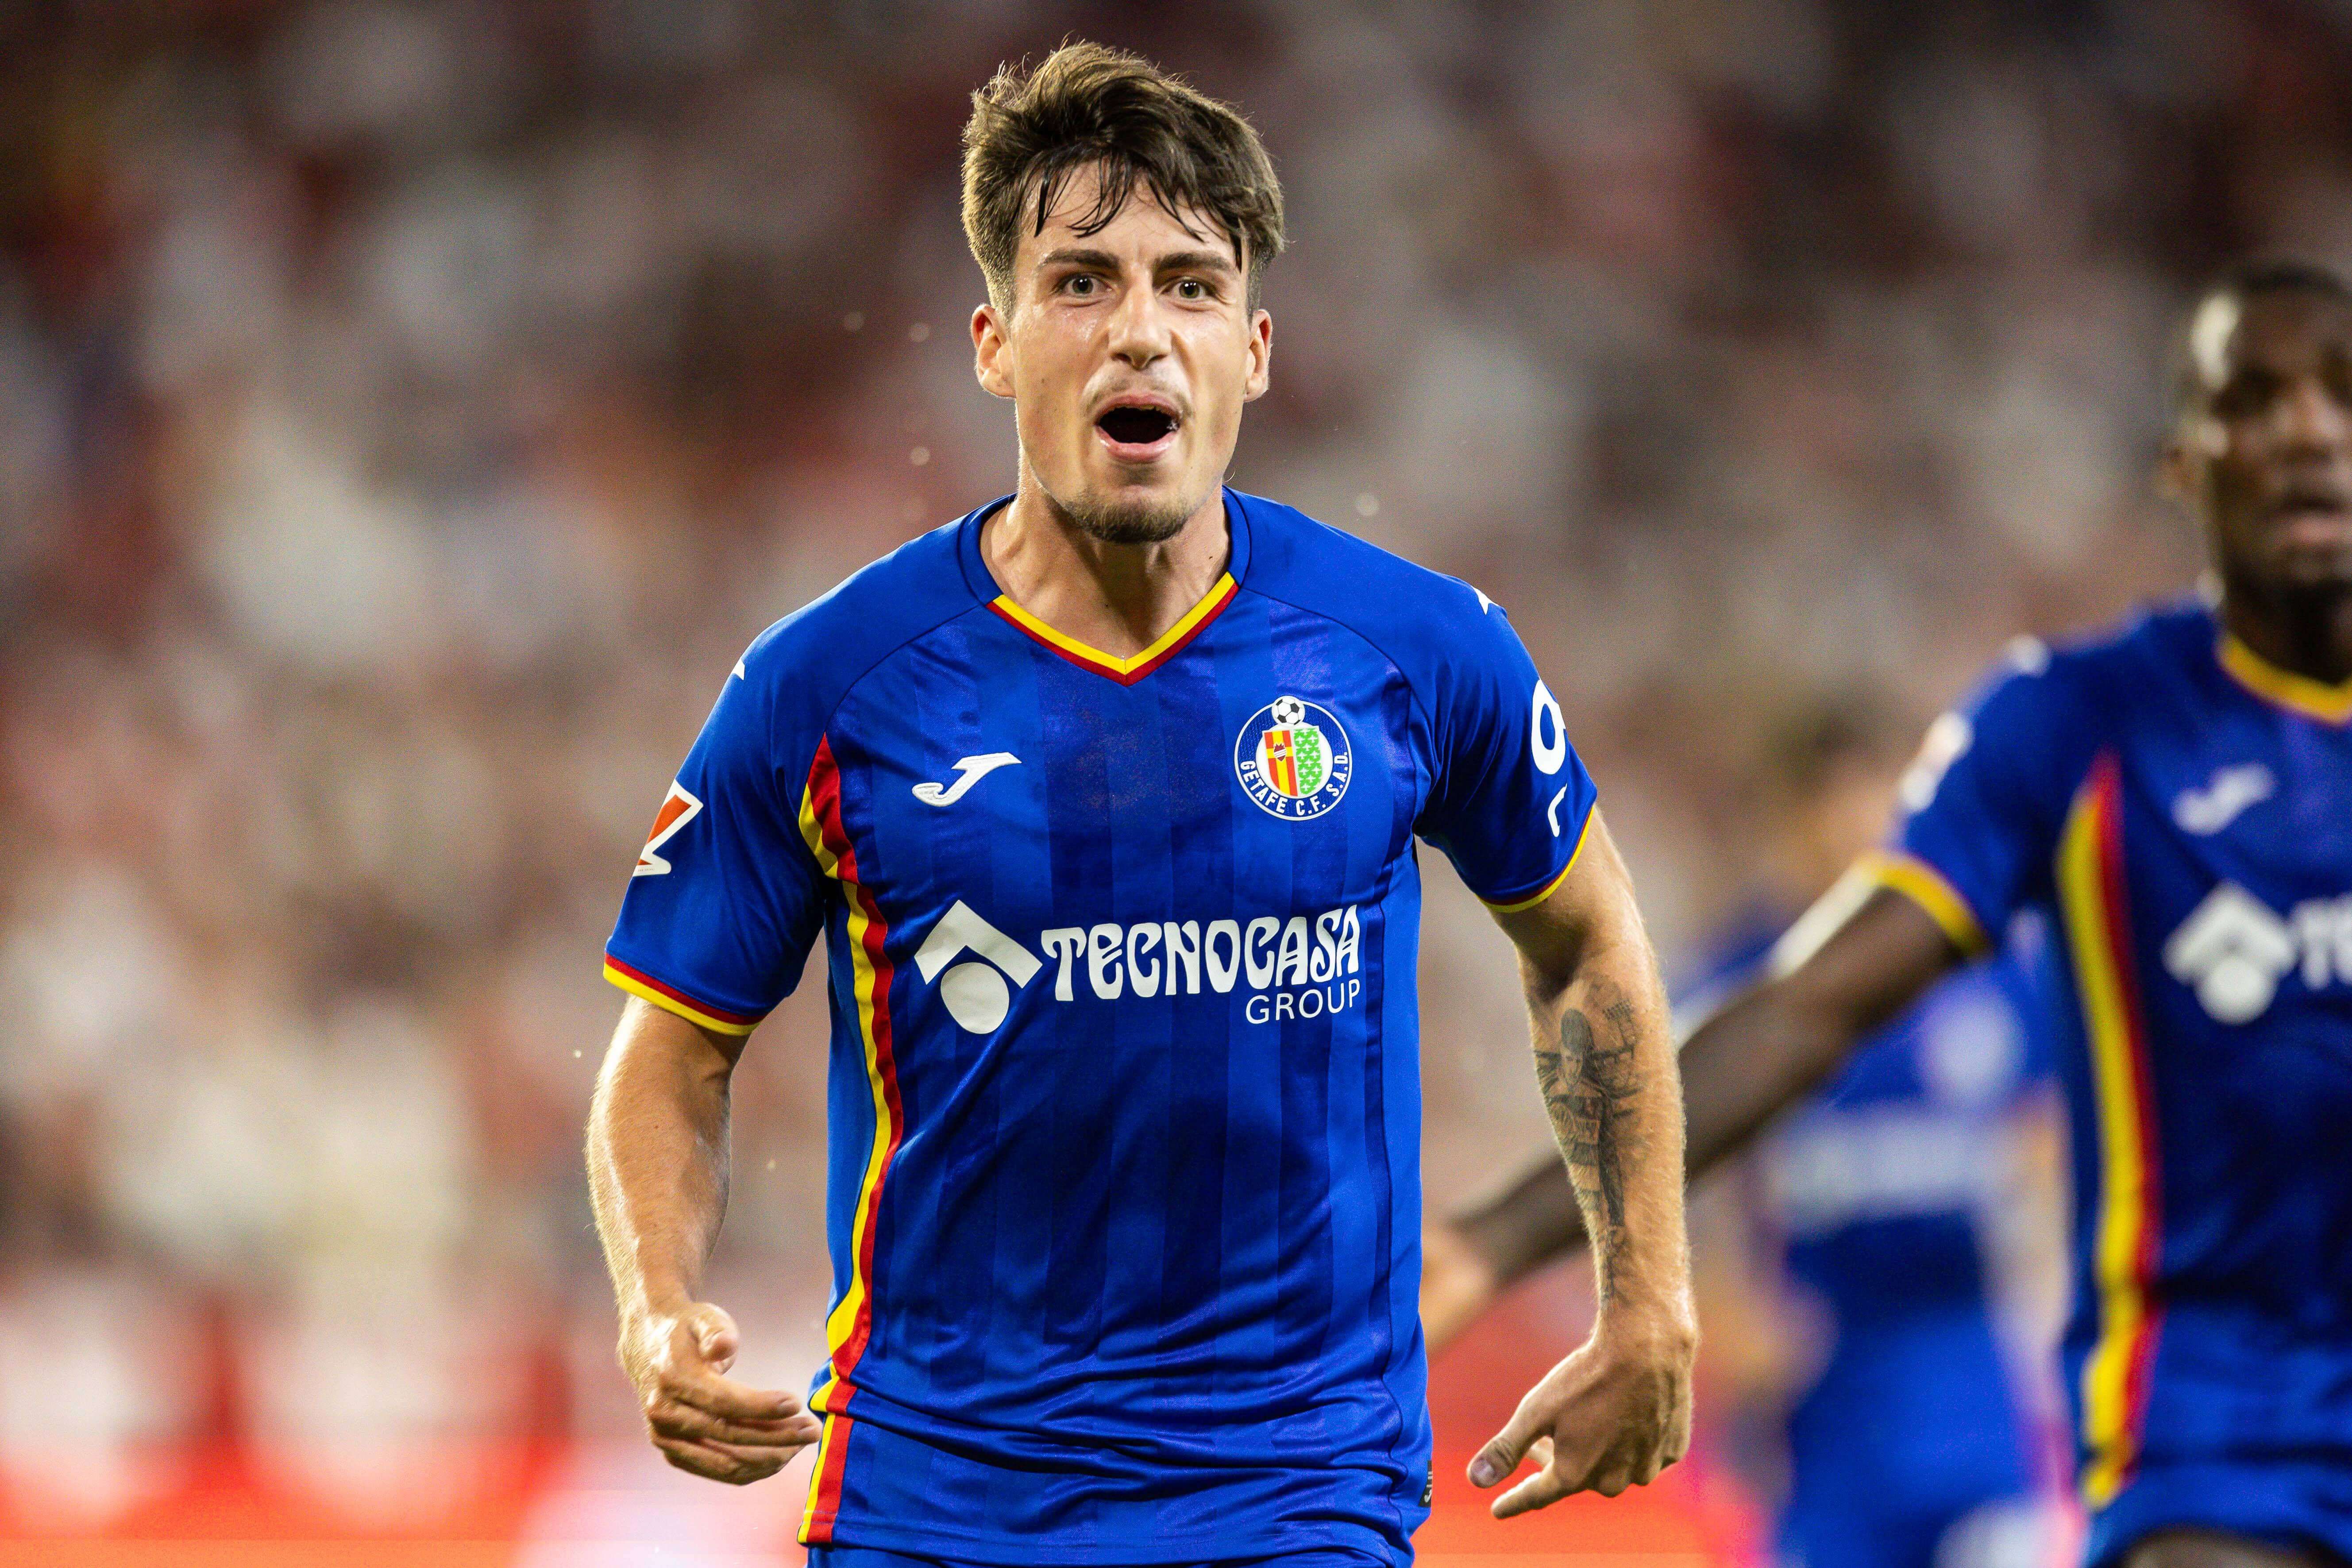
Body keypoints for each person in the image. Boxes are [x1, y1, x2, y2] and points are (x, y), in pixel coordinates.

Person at [582, 42, 1696, 1567]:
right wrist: (656, 1306)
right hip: (935, 1497)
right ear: (994, 340)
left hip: (1298, 1494)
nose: (1139, 333)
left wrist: (1649, 1295)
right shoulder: (830, 683)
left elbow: (1587, 941)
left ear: (1252, 347)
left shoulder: (1413, 648)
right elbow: (674, 1037)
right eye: (1082, 282)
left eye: (1188, 284)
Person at [1421, 256, 2352, 1568]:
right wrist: (1498, 1240)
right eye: (2254, 397)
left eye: (2341, 391)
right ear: (2181, 463)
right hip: (2199, 1443)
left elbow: (2033, 1130)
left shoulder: (2005, 1005)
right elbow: (1803, 1017)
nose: (2308, 429)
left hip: (1986, 1418)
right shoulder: (2076, 730)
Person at [1423, 703, 2067, 1568]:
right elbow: (1639, 1169)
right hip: (1818, 1399)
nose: (1854, 835)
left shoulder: (1977, 971)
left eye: (1876, 809)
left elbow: (2055, 1130)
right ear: (1787, 821)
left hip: (1968, 1380)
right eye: (1830, 811)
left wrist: (2045, 1271)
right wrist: (1713, 1311)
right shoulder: (1737, 991)